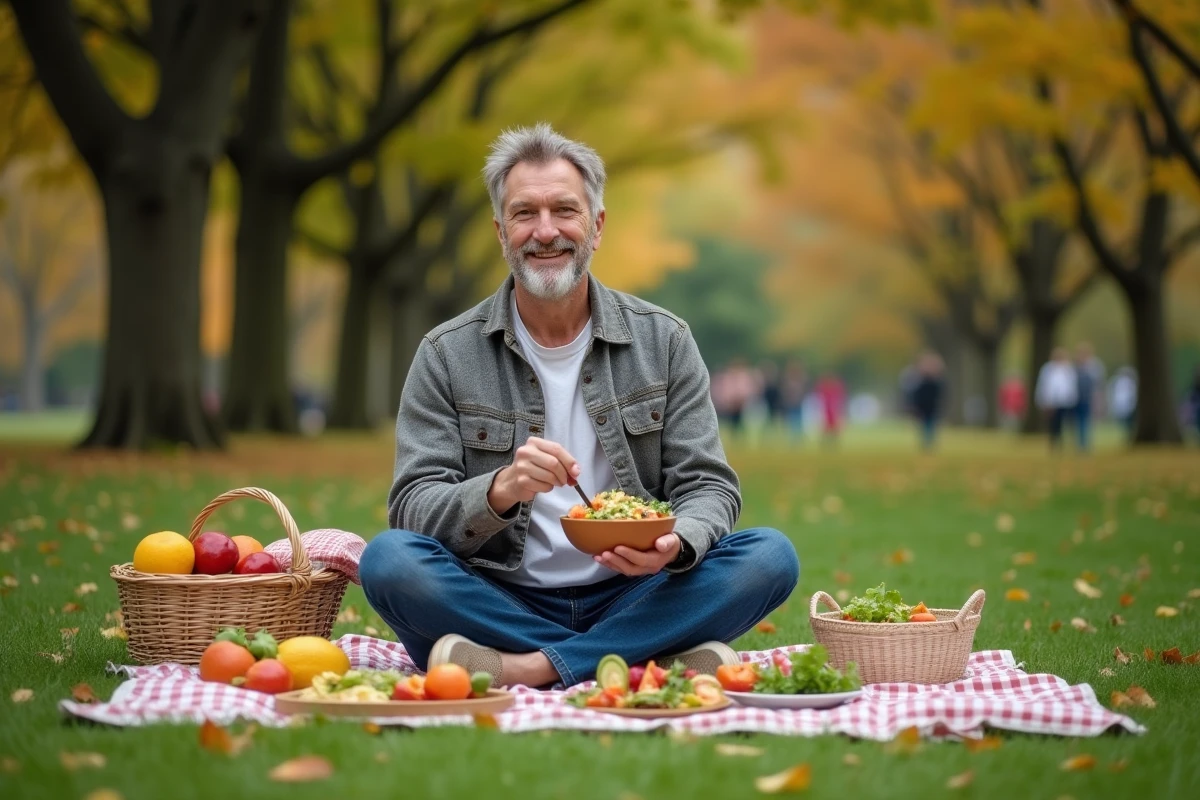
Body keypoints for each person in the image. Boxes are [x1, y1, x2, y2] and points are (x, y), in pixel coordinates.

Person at [358, 124, 799, 689]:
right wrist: (500, 490)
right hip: (498, 594)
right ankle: (644, 660)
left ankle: (533, 668)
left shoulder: (664, 340)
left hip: (635, 592)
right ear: (501, 232)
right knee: (390, 563)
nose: (546, 232)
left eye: (565, 210)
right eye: (525, 214)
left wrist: (675, 543)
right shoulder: (446, 353)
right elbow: (412, 508)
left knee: (769, 557)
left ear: (597, 226)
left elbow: (710, 487)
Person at [1035, 347, 1078, 451]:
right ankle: (1054, 443)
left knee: (1064, 423)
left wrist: (1072, 399)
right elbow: (1043, 386)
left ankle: (1063, 442)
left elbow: (1071, 386)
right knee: (1053, 423)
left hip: (1065, 401)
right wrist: (1043, 400)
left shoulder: (1068, 369)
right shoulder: (1048, 369)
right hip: (1052, 402)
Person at [909, 351, 945, 451]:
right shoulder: (922, 382)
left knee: (930, 424)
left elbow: (940, 395)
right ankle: (926, 442)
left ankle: (929, 442)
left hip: (932, 406)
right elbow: (917, 395)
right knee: (925, 425)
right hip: (924, 407)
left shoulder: (936, 383)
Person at [1073, 342, 1104, 452]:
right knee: (1078, 422)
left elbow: (1098, 384)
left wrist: (1098, 399)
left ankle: (1085, 444)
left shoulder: (1094, 367)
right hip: (1076, 398)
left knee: (1086, 421)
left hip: (1089, 398)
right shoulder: (1075, 366)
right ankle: (1080, 444)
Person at [1108, 366, 1137, 440]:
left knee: (1127, 421)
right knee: (1124, 421)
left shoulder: (1128, 382)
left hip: (1127, 404)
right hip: (1123, 404)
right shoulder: (1118, 382)